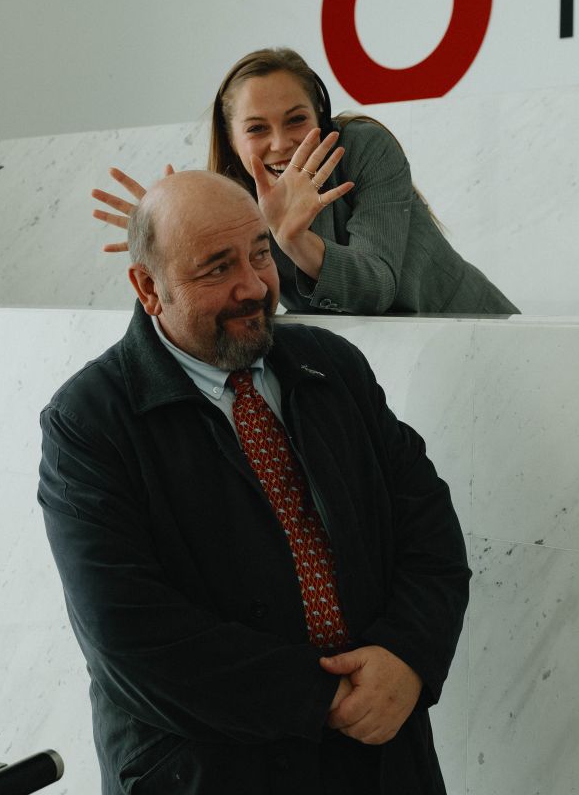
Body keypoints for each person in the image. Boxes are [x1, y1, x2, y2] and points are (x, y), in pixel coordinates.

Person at [41, 170, 471, 793]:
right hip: (207, 771)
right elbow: (127, 634)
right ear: (149, 287)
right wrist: (322, 698)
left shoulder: (333, 366)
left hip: (379, 759)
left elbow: (428, 527)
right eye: (217, 268)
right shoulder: (90, 419)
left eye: (261, 254)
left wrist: (406, 656)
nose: (253, 286)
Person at [92, 47, 518, 316]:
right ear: (232, 140)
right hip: (375, 360)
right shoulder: (229, 201)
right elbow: (236, 304)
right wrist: (167, 242)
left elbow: (377, 288)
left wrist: (294, 238)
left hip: (474, 328)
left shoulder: (364, 147)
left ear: (320, 116)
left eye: (296, 120)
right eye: (257, 129)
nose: (282, 143)